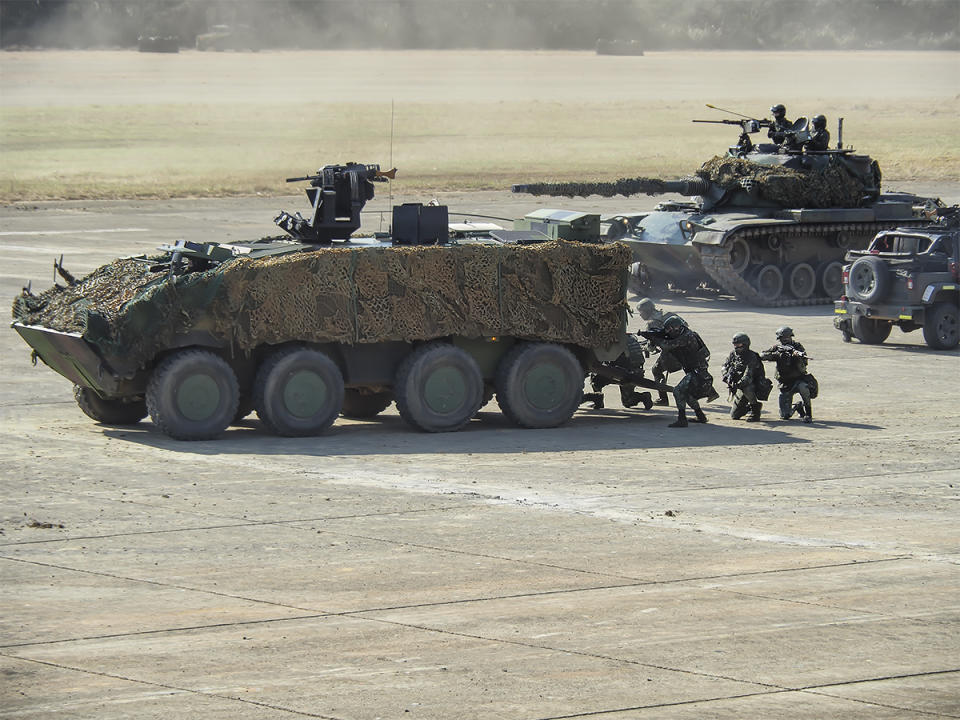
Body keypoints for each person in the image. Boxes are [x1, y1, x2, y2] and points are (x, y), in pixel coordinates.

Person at [651, 316, 718, 428]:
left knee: (678, 391)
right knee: (686, 393)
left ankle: (682, 419)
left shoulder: (687, 336)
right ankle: (700, 416)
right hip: (695, 370)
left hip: (698, 372)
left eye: (670, 329)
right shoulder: (687, 333)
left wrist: (656, 339)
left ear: (677, 328)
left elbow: (667, 345)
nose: (669, 332)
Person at [583, 334, 653, 410]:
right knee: (627, 401)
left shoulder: (612, 340)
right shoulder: (631, 338)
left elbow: (602, 361)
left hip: (623, 373)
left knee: (595, 379)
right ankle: (644, 397)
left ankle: (598, 400)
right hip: (637, 371)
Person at [760, 326, 813, 423]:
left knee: (804, 388)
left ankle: (808, 414)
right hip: (785, 383)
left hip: (798, 380)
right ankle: (798, 407)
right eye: (782, 338)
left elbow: (804, 361)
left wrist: (797, 357)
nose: (785, 340)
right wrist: (775, 355)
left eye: (787, 338)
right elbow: (762, 355)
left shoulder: (797, 347)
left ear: (791, 337)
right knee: (784, 416)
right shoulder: (777, 348)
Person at [636, 298, 682, 406]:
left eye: (641, 312)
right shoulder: (666, 314)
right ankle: (710, 392)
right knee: (692, 368)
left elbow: (652, 346)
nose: (640, 315)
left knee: (656, 370)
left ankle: (663, 399)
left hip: (672, 351)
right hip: (686, 345)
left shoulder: (651, 324)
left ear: (647, 311)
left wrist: (645, 348)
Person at [721, 332, 765, 421]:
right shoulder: (733, 354)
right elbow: (725, 365)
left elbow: (748, 375)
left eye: (739, 344)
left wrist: (739, 384)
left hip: (752, 385)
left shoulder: (752, 356)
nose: (736, 347)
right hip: (739, 385)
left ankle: (755, 411)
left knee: (747, 388)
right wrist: (726, 376)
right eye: (735, 344)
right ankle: (747, 407)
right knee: (734, 415)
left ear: (745, 344)